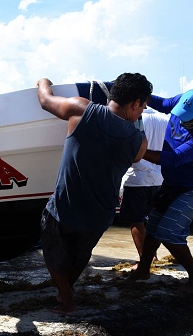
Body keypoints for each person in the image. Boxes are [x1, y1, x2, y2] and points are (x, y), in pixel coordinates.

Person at [36, 73, 151, 315]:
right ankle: (64, 292)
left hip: (64, 207)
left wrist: (43, 82)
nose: (141, 112)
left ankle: (66, 299)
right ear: (135, 103)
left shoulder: (81, 109)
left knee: (52, 251)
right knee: (79, 257)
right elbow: (134, 155)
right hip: (100, 215)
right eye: (143, 107)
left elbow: (46, 101)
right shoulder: (139, 142)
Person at [128, 88, 193, 294]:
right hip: (170, 183)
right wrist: (133, 88)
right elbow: (160, 103)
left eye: (187, 118)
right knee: (152, 228)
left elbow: (173, 158)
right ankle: (143, 270)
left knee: (169, 233)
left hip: (191, 189)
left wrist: (135, 149)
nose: (182, 119)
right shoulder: (184, 101)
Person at [119, 108, 169, 267]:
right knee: (154, 221)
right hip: (159, 178)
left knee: (136, 220)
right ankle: (153, 255)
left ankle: (146, 259)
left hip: (137, 178)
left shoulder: (132, 117)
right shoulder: (164, 119)